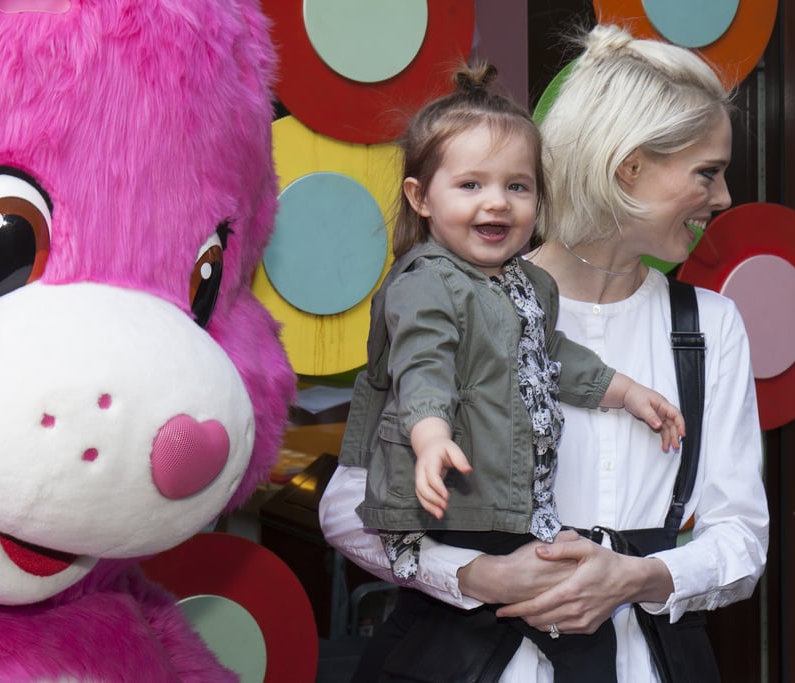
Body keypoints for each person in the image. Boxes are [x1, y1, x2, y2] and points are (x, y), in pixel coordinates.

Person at [321, 23, 769, 683]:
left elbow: (742, 538)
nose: (724, 198)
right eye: (708, 172)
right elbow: (346, 504)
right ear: (630, 166)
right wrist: (477, 574)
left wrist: (639, 575)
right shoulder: (445, 298)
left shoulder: (711, 325)